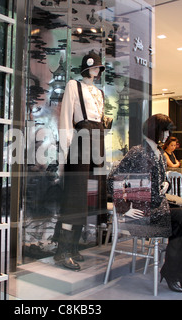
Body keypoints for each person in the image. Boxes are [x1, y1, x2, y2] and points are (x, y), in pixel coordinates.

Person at [108, 114, 182, 292]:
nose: (168, 135)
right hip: (142, 217)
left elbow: (160, 180)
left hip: (159, 210)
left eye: (169, 131)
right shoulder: (138, 151)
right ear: (156, 130)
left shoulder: (159, 152)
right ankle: (174, 272)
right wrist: (124, 208)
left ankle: (177, 272)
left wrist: (166, 183)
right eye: (165, 130)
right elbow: (113, 178)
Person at [54, 52, 107, 270]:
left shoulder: (100, 92)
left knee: (91, 194)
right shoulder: (73, 86)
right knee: (75, 194)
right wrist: (64, 154)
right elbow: (66, 118)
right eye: (95, 67)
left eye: (99, 68)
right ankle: (63, 249)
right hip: (82, 138)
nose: (97, 71)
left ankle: (74, 245)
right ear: (87, 67)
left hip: (98, 138)